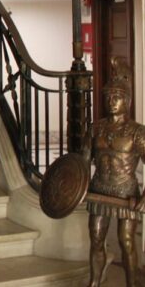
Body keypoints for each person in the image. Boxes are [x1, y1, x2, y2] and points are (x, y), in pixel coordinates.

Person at [82, 57, 145, 287]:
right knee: (96, 239)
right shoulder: (95, 128)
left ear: (126, 100)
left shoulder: (137, 132)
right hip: (99, 189)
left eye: (116, 96)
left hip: (126, 192)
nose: (111, 101)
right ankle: (94, 282)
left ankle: (132, 284)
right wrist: (79, 187)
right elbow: (82, 162)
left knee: (126, 241)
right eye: (108, 96)